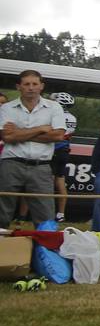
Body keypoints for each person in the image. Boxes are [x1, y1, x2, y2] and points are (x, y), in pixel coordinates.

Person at [0, 70, 66, 230]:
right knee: (2, 211)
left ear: (41, 86)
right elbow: (7, 137)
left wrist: (19, 132)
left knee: (45, 215)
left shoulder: (54, 107)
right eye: (26, 84)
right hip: (11, 164)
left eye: (34, 84)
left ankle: (45, 251)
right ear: (18, 87)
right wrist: (42, 129)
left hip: (41, 167)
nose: (31, 88)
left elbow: (58, 136)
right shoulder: (7, 108)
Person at [49, 93, 76, 223]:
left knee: (46, 182)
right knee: (60, 180)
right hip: (64, 151)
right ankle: (61, 213)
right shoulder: (72, 118)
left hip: (53, 150)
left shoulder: (54, 116)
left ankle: (47, 212)